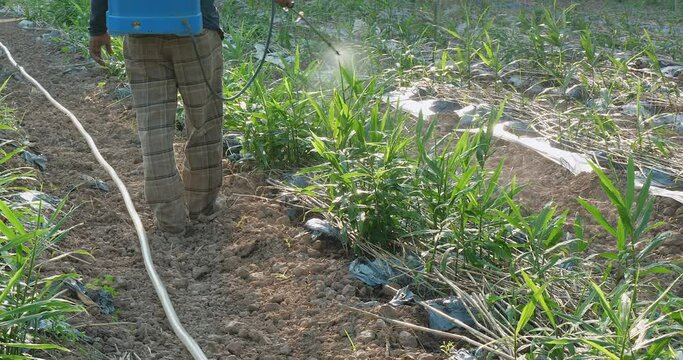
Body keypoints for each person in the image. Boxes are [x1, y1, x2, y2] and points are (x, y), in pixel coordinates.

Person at [88, 0, 293, 235]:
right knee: (203, 122)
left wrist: (97, 28)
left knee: (153, 130)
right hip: (196, 32)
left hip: (140, 35)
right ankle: (201, 207)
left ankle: (169, 221)